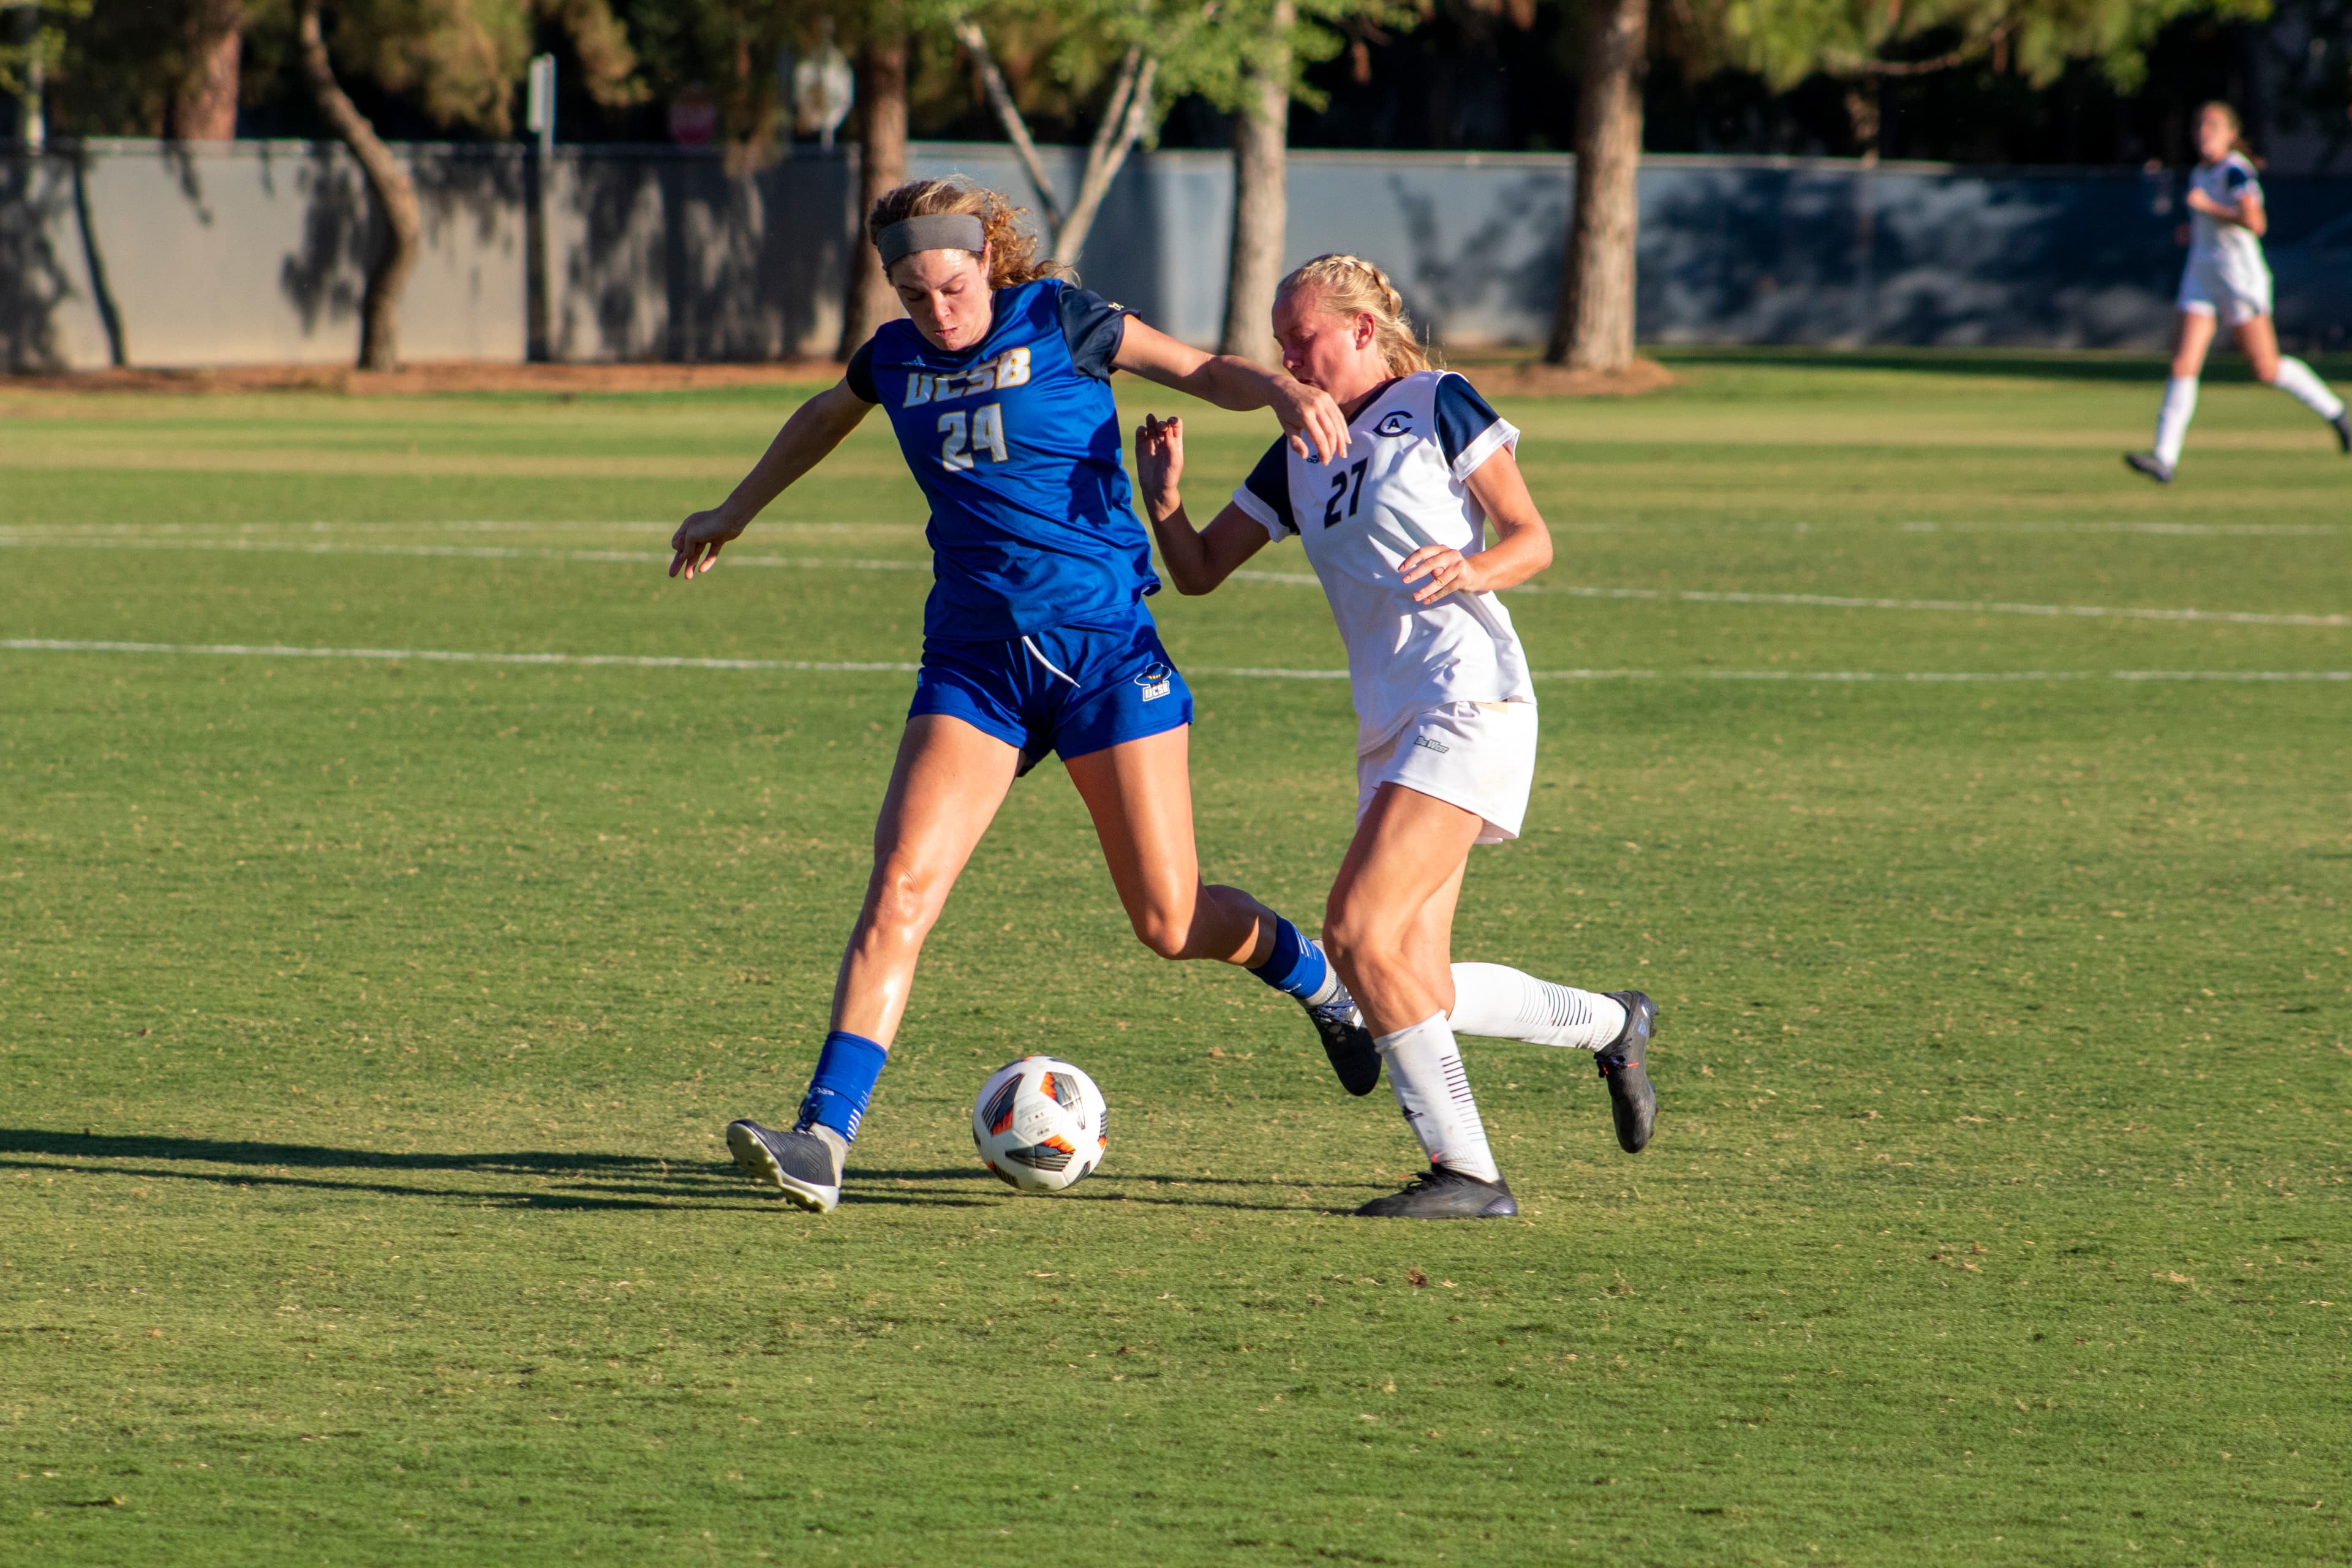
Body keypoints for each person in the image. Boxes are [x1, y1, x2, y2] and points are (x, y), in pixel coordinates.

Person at [669, 178, 1378, 1214]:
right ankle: (824, 1137)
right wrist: (735, 510)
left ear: (989, 264)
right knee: (900, 887)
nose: (937, 314)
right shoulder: (897, 356)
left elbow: (1200, 367)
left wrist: (1276, 391)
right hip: (974, 665)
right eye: (915, 296)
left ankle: (1317, 980)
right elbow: (828, 412)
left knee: (1169, 920)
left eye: (952, 288)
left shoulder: (1062, 318)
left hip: (1104, 655)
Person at [1132, 253, 1657, 1221]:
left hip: (1471, 699)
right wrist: (1163, 499)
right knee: (1411, 983)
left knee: (1357, 934)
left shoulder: (1435, 402)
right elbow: (1201, 571)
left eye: (1304, 340)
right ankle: (1611, 1024)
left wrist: (1475, 571)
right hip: (1391, 724)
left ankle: (1469, 1174)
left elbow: (1531, 537)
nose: (1288, 358)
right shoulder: (1296, 444)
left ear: (1363, 332)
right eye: (1280, 343)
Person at [2127, 101, 2351, 483]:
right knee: (2183, 363)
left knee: (2266, 368)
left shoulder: (2234, 171)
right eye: (2200, 125)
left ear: (2231, 134)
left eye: (2213, 126)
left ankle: (2337, 413)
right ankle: (2164, 457)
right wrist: (2194, 229)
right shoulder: (2201, 171)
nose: (2204, 132)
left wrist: (2208, 209)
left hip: (2238, 278)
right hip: (2201, 274)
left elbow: (2255, 222)